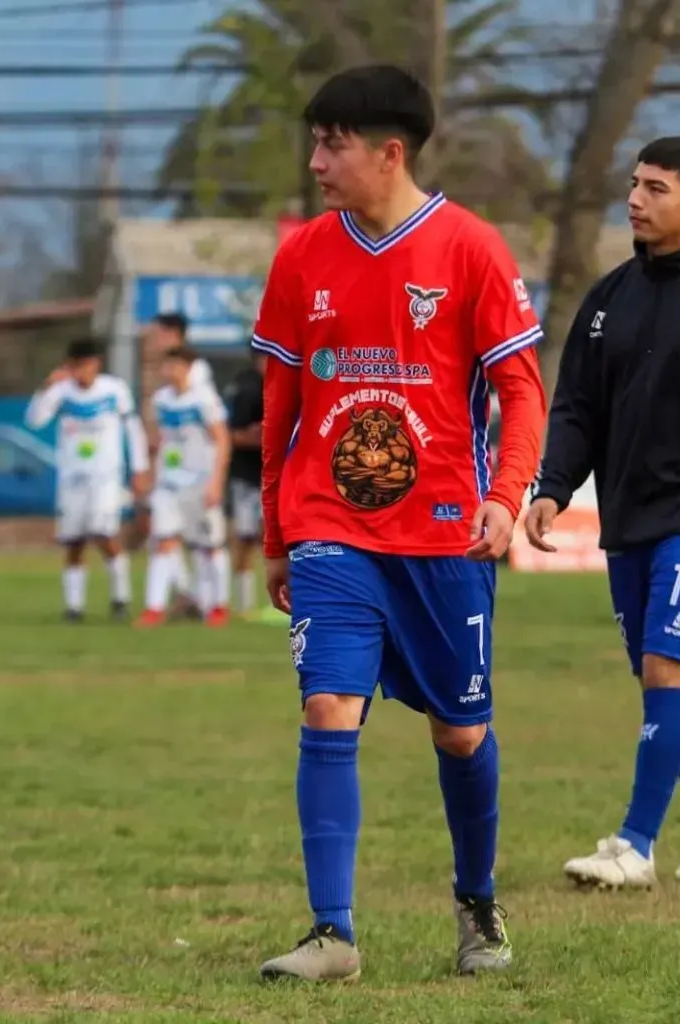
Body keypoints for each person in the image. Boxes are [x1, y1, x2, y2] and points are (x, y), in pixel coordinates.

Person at [254, 65, 546, 982]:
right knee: (327, 704)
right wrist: (274, 532)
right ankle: (332, 933)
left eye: (331, 143)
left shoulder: (470, 248)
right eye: (314, 141)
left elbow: (520, 391)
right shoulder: (302, 255)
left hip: (445, 537)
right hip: (330, 529)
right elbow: (279, 403)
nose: (316, 162)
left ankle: (477, 904)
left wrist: (505, 495)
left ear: (389, 151)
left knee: (459, 734)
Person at [525, 137, 680, 889]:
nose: (634, 198)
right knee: (668, 680)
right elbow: (577, 410)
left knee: (667, 663)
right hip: (629, 520)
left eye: (655, 188)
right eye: (633, 183)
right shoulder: (606, 300)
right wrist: (553, 487)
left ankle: (634, 844)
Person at [25, 338, 150, 622]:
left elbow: (133, 429)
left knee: (103, 532)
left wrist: (139, 468)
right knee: (73, 541)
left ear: (96, 364)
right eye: (75, 366)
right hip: (72, 478)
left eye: (86, 365)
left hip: (105, 476)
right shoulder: (61, 392)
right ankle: (74, 606)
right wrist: (46, 387)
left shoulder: (113, 390)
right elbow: (34, 420)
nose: (81, 372)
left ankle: (121, 598)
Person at [138, 344, 232, 628]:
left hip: (200, 483)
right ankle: (154, 608)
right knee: (164, 542)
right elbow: (158, 441)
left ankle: (217, 606)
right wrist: (150, 475)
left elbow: (222, 440)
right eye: (168, 365)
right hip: (169, 484)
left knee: (209, 546)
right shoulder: (161, 400)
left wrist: (216, 482)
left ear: (189, 368)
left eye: (177, 365)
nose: (171, 371)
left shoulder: (204, 399)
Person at [143, 311, 212, 616]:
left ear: (173, 333)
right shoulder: (161, 386)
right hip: (170, 472)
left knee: (200, 542)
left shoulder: (196, 371)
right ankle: (180, 597)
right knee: (165, 537)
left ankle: (200, 598)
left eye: (158, 333)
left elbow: (210, 425)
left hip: (196, 472)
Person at [223, 345, 265, 615]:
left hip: (275, 476)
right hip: (246, 475)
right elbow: (232, 433)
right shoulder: (246, 388)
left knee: (271, 536)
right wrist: (260, 436)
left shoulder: (289, 382)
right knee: (245, 537)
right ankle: (246, 604)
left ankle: (281, 599)